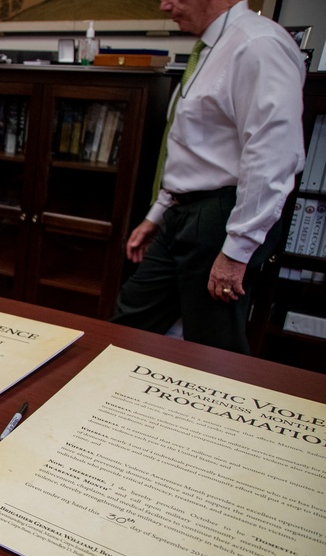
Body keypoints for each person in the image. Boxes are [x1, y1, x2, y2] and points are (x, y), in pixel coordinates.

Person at [111, 0, 306, 354]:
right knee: (130, 323)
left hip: (222, 215)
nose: (164, 5)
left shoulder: (257, 44)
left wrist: (236, 251)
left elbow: (271, 156)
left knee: (211, 345)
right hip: (183, 212)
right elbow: (195, 149)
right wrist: (157, 215)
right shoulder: (213, 48)